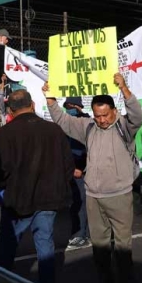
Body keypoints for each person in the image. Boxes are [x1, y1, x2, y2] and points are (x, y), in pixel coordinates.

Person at [45, 73, 142, 283]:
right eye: (98, 116)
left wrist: (124, 88)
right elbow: (63, 120)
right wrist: (50, 99)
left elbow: (137, 116)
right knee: (99, 246)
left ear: (114, 111)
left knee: (122, 246)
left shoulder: (124, 127)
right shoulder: (87, 126)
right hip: (93, 196)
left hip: (120, 196)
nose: (101, 120)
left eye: (105, 115)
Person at [0, 86, 73, 283]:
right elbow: (68, 166)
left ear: (10, 111)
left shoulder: (5, 133)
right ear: (33, 105)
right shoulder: (54, 130)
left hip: (17, 200)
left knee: (8, 245)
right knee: (45, 245)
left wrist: (4, 188)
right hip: (48, 199)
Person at [64, 101, 92, 251]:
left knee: (79, 203)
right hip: (71, 169)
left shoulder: (86, 123)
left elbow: (84, 148)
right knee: (76, 203)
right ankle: (81, 233)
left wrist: (79, 167)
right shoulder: (66, 122)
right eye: (67, 106)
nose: (70, 109)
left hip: (80, 171)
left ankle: (81, 235)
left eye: (72, 106)